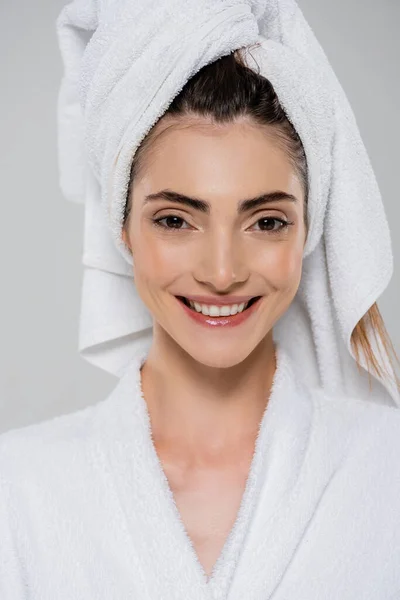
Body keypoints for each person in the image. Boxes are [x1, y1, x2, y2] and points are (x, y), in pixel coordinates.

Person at [1, 3, 400, 599]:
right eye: (175, 219)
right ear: (122, 230)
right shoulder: (20, 491)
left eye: (266, 222)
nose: (221, 272)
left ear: (309, 230)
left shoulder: (385, 472)